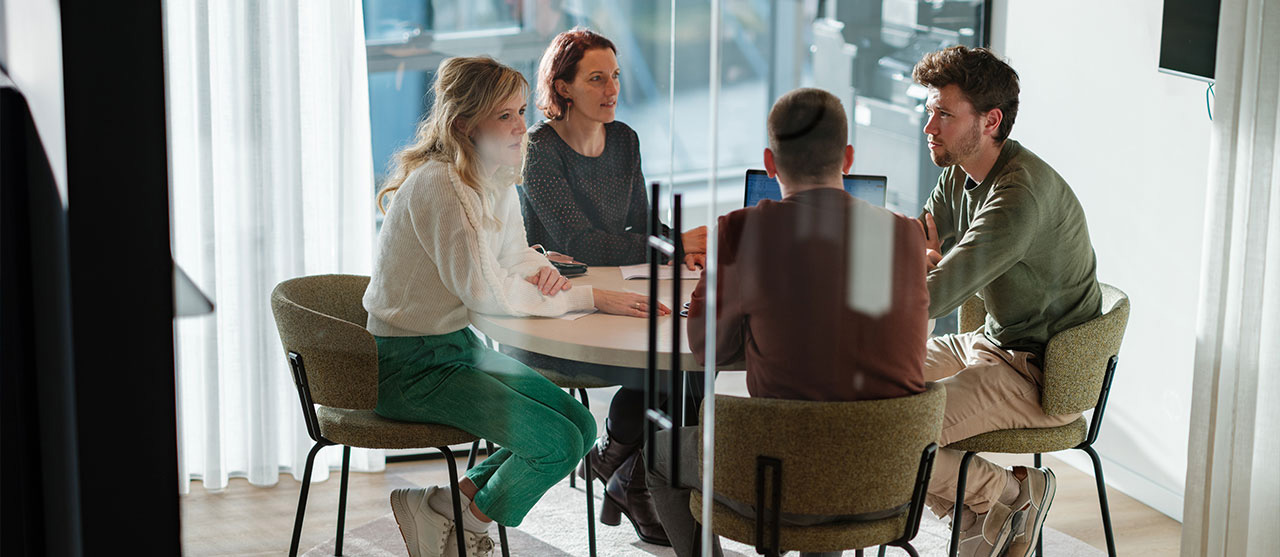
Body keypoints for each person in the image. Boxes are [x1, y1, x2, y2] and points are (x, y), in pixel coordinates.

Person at [362, 55, 669, 557]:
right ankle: (472, 528)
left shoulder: (489, 174)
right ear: (464, 122)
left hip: (454, 348)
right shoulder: (443, 184)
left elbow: (509, 255)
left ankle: (447, 506)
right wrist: (585, 296)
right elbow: (484, 291)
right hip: (408, 365)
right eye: (504, 115)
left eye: (521, 111)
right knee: (556, 444)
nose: (520, 126)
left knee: (581, 426)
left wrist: (539, 267)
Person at [645, 88, 931, 557]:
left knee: (661, 456)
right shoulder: (905, 235)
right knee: (827, 434)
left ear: (769, 162)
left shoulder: (741, 232)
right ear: (849, 159)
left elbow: (705, 348)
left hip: (780, 482)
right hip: (884, 480)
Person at [516, 27, 707, 547]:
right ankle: (627, 476)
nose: (611, 89)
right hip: (556, 313)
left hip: (617, 299)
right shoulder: (538, 149)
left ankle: (621, 471)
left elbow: (639, 223)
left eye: (615, 76)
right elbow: (580, 243)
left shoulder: (624, 139)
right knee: (667, 371)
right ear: (563, 87)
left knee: (685, 367)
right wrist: (664, 244)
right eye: (596, 79)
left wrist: (680, 245)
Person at [912, 45, 1102, 557]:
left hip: (1038, 375)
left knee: (892, 436)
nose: (929, 127)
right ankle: (984, 507)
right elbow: (917, 242)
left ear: (990, 121)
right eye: (929, 111)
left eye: (944, 114)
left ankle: (1013, 493)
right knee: (854, 390)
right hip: (988, 343)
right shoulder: (959, 171)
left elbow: (931, 293)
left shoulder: (1019, 195)